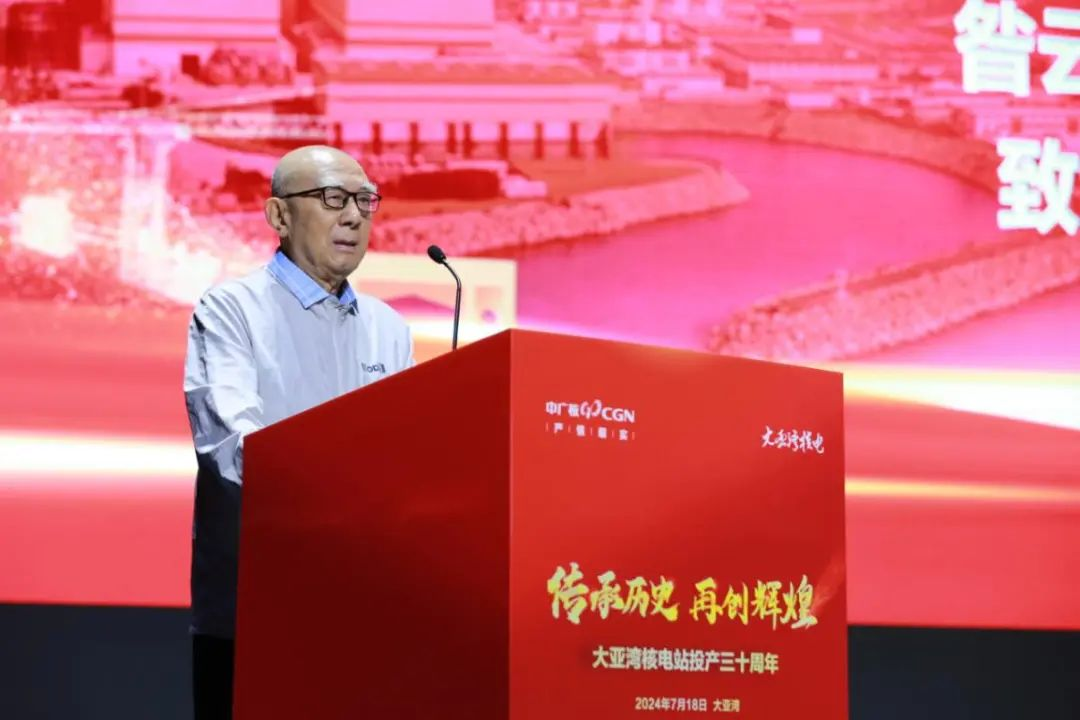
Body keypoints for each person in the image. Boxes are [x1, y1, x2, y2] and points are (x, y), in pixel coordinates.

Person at [183, 145, 414, 719]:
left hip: (366, 612)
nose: (354, 216)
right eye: (333, 199)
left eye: (364, 201)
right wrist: (342, 496)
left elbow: (407, 455)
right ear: (279, 216)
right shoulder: (231, 310)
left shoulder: (389, 327)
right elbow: (232, 446)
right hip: (257, 616)